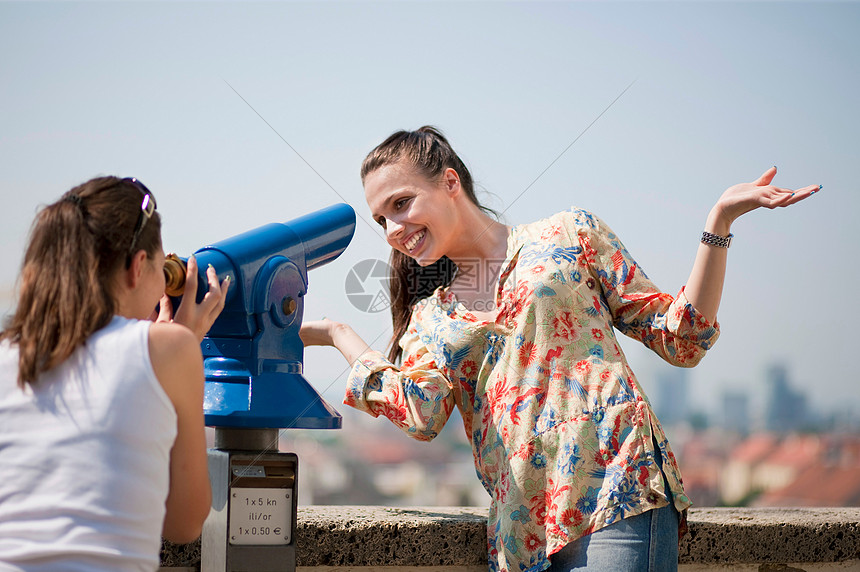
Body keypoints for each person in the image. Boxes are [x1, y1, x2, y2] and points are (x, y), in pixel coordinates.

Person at [300, 127, 819, 572]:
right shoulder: (431, 317)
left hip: (619, 495)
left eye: (400, 203)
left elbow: (679, 337)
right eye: (381, 219)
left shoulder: (569, 234)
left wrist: (718, 225)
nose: (393, 230)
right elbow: (420, 411)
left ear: (450, 182)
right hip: (520, 535)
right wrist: (338, 335)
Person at [0, 176, 228, 572]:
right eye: (162, 269)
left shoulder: (6, 353)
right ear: (138, 267)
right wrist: (179, 345)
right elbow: (184, 522)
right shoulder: (171, 349)